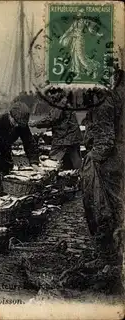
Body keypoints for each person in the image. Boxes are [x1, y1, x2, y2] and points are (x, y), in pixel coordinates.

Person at [80, 68, 124, 282]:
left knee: (101, 209)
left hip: (108, 162)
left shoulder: (103, 99)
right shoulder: (117, 93)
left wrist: (91, 158)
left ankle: (108, 258)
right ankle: (113, 258)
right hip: (117, 159)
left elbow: (106, 140)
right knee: (115, 208)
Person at [29, 95, 83, 170]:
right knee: (74, 157)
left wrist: (35, 123)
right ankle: (79, 175)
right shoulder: (64, 103)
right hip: (72, 135)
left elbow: (52, 119)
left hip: (64, 137)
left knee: (53, 160)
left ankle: (51, 176)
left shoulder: (60, 105)